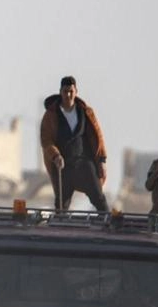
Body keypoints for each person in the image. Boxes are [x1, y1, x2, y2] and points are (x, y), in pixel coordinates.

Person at [39, 76, 109, 211]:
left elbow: (98, 136)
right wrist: (56, 156)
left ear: (76, 91)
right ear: (60, 92)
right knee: (61, 205)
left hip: (84, 164)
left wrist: (102, 160)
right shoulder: (51, 115)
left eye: (71, 91)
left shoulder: (86, 112)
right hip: (63, 166)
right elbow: (46, 140)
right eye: (65, 91)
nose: (68, 95)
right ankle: (60, 229)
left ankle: (110, 225)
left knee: (99, 198)